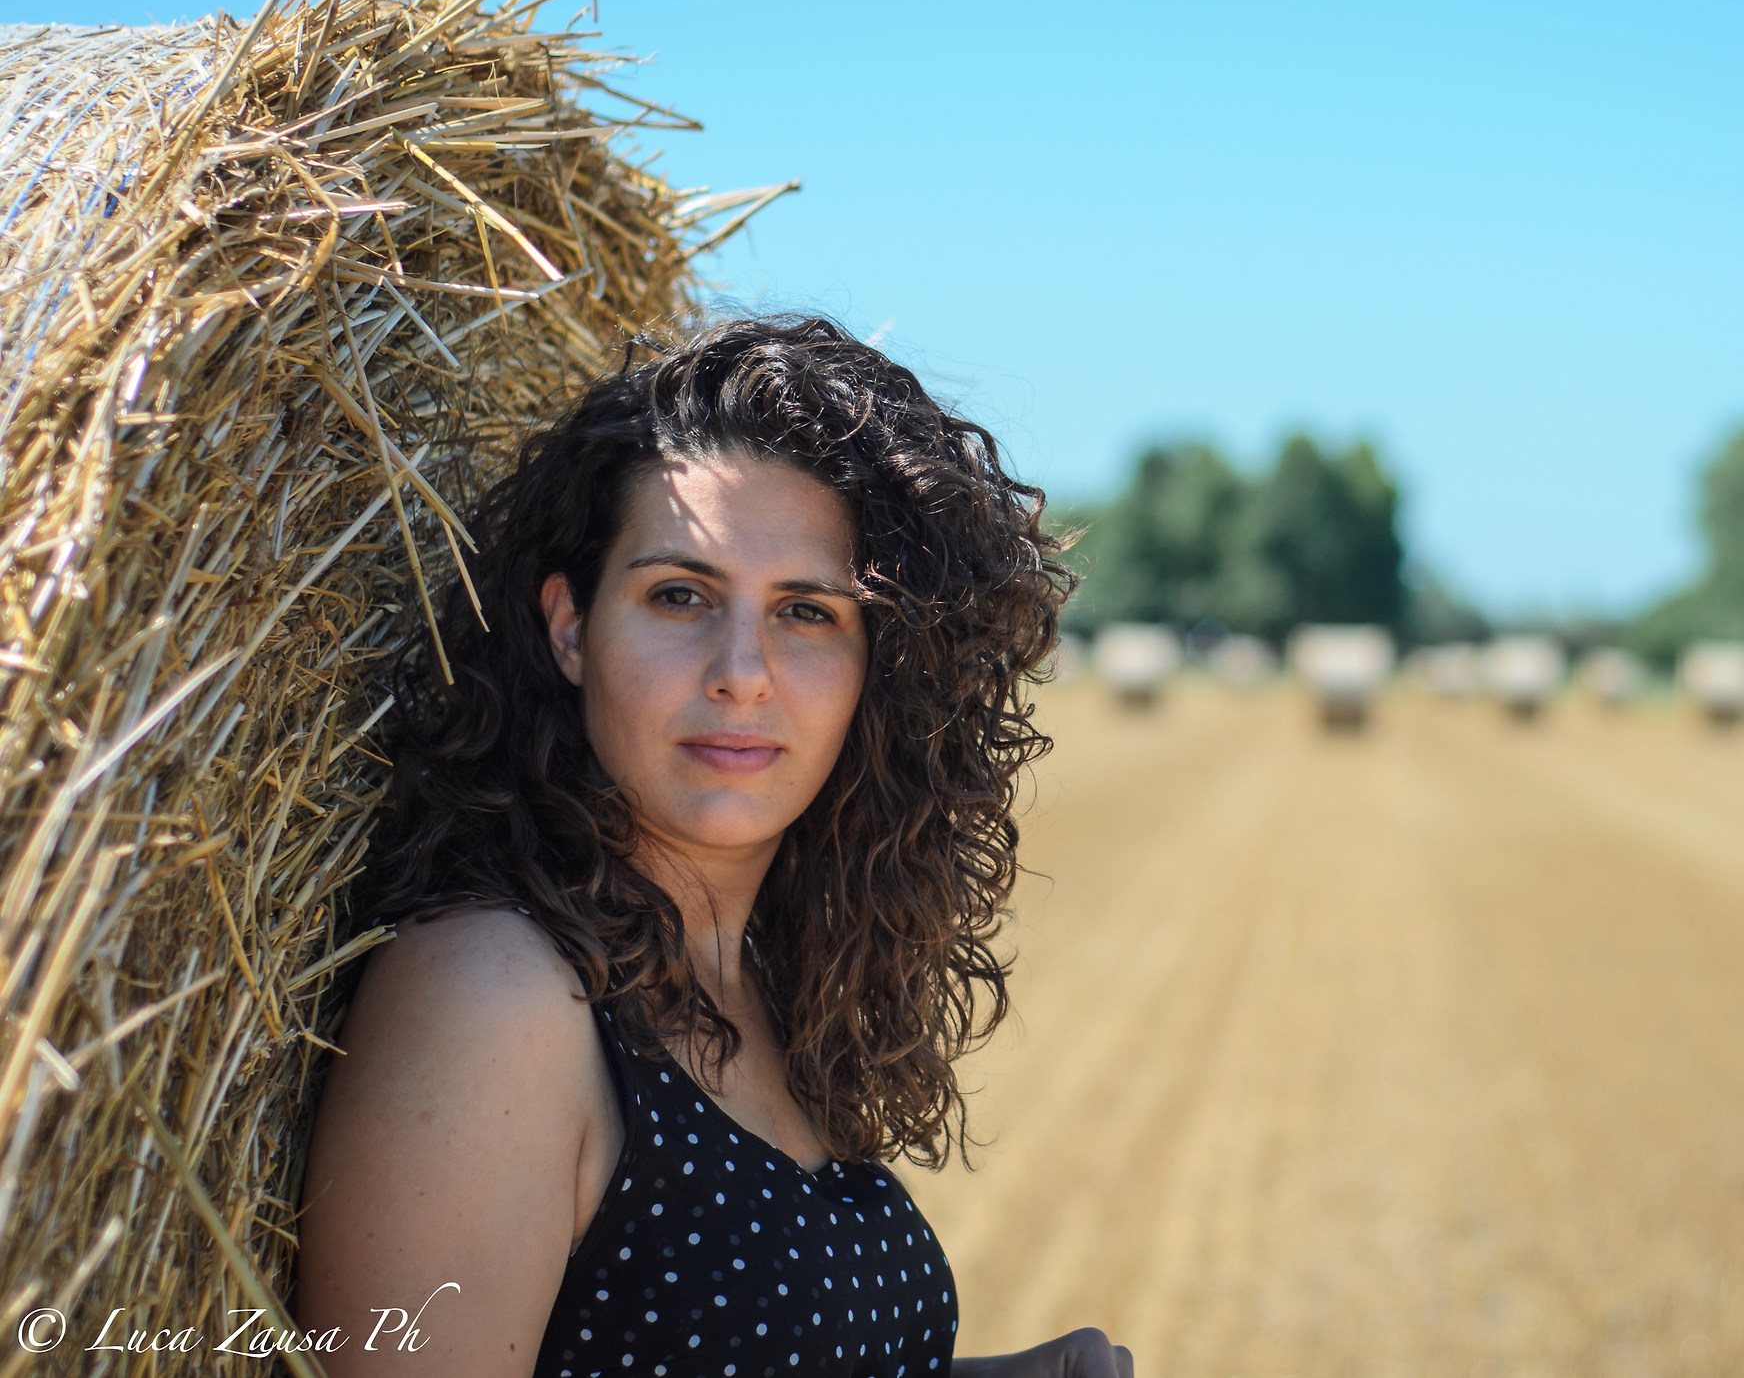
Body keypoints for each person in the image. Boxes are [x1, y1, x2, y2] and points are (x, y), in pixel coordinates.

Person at [295, 317, 1131, 1378]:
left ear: (879, 665)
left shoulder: (769, 973)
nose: (743, 670)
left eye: (808, 611)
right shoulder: (494, 994)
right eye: (680, 594)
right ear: (568, 625)